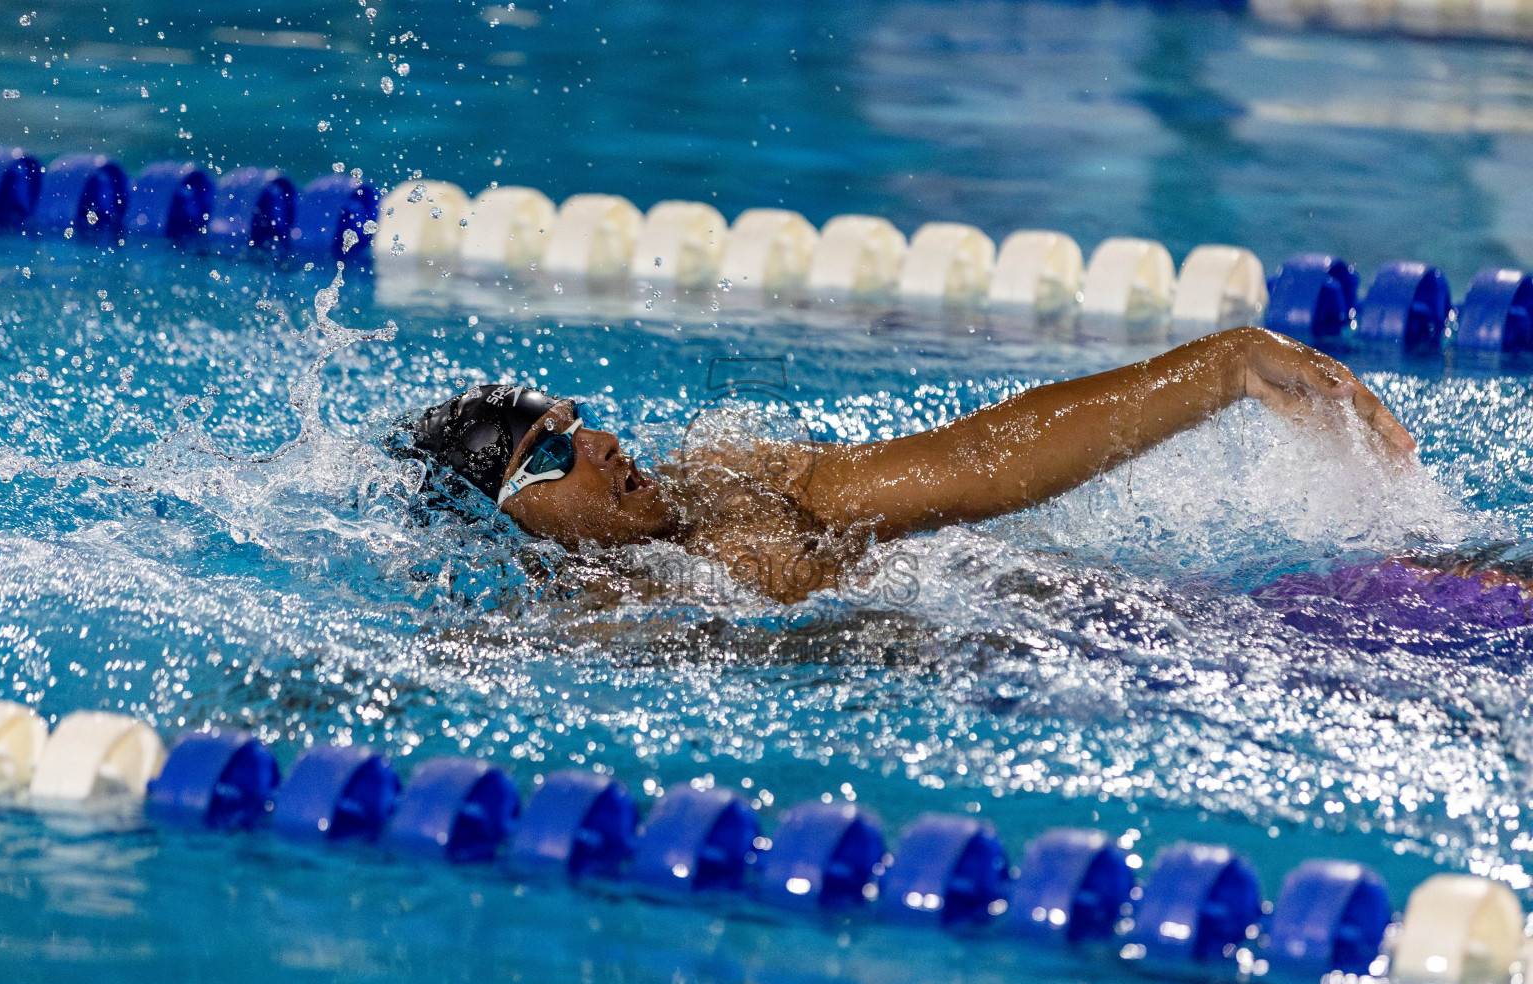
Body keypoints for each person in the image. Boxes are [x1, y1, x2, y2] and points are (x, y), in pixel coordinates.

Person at [408, 326, 1416, 604]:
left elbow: (978, 459)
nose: (601, 442)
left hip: (1107, 620)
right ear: (516, 527)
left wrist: (1224, 364)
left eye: (579, 422)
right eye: (553, 453)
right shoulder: (575, 625)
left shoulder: (735, 481)